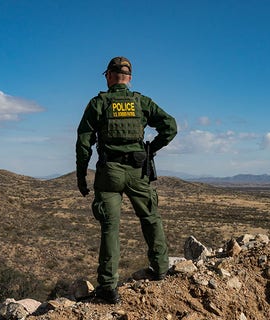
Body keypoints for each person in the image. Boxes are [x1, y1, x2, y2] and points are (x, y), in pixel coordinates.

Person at [75, 56, 177, 304]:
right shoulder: (140, 102)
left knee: (110, 228)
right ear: (129, 78)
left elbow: (83, 142)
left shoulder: (99, 103)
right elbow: (170, 126)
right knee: (150, 218)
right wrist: (152, 149)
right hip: (138, 171)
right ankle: (161, 268)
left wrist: (81, 175)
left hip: (109, 173)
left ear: (109, 76)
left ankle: (108, 287)